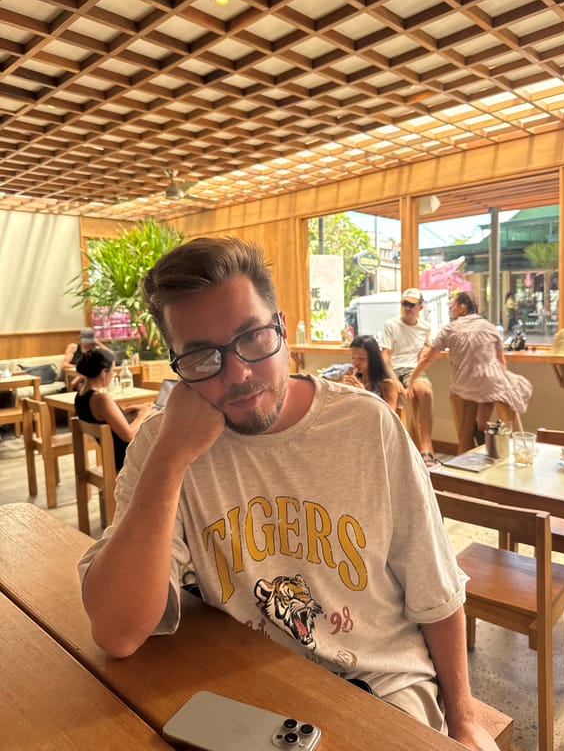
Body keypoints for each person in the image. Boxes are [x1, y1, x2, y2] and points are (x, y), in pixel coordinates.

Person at [77, 238, 499, 751]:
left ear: (279, 325)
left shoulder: (366, 425)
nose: (239, 374)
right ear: (178, 366)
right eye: (201, 356)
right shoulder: (165, 443)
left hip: (382, 687)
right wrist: (169, 459)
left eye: (252, 337)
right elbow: (118, 634)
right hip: (247, 688)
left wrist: (463, 718)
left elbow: (435, 587)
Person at [406, 291, 532, 441]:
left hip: (463, 386)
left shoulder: (449, 329)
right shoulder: (490, 327)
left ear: (462, 307)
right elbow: (501, 362)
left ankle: (472, 434)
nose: (450, 309)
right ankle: (483, 429)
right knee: (495, 386)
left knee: (479, 389)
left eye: (452, 306)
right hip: (489, 383)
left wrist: (411, 379)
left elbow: (427, 358)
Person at [380, 288, 437, 468]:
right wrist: (396, 381)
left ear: (420, 307)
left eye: (411, 305)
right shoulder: (391, 324)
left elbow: (427, 351)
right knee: (391, 395)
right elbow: (385, 358)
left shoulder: (425, 328)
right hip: (394, 370)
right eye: (404, 304)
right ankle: (393, 449)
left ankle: (425, 446)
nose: (407, 308)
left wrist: (411, 380)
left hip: (413, 371)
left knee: (425, 392)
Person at [74, 348, 152, 471]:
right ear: (104, 372)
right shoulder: (101, 399)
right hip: (126, 457)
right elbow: (129, 436)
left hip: (114, 453)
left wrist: (124, 412)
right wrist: (143, 414)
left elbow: (102, 418)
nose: (113, 375)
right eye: (113, 370)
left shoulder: (80, 396)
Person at [342, 335, 398, 410]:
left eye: (361, 358)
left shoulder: (387, 384)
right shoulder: (356, 379)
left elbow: (389, 416)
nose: (355, 363)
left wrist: (364, 394)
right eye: (353, 358)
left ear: (374, 359)